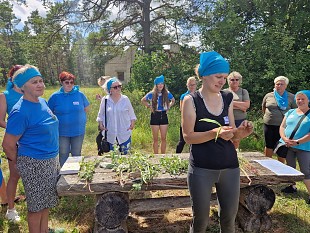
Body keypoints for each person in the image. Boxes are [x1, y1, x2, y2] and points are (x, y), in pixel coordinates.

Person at [182, 51, 253, 233]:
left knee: (229, 219)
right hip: (201, 168)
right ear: (204, 76)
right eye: (218, 76)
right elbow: (188, 136)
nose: (222, 81)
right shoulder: (191, 101)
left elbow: (230, 134)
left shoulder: (228, 97)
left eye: (224, 77)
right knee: (201, 220)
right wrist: (214, 132)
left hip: (230, 166)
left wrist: (240, 133)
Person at [2, 64, 59, 232]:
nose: (40, 84)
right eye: (34, 82)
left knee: (46, 204)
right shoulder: (20, 112)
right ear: (22, 87)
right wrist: (20, 163)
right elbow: (8, 145)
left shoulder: (42, 101)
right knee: (36, 208)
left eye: (41, 81)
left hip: (50, 161)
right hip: (35, 164)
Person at [48, 71, 90, 167]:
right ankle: (63, 176)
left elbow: (86, 108)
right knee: (63, 153)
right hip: (62, 132)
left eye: (72, 82)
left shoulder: (80, 95)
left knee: (76, 154)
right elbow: (49, 113)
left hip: (78, 131)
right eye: (67, 82)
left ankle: (76, 175)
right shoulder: (55, 97)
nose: (69, 84)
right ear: (62, 82)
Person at [0, 65, 24, 222]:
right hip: (15, 141)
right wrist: (16, 129)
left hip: (32, 141)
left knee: (31, 173)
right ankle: (10, 209)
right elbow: (1, 120)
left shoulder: (30, 91)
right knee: (14, 174)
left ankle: (36, 204)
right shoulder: (5, 95)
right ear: (12, 77)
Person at [279, 90, 310, 204]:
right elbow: (282, 126)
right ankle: (291, 187)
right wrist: (284, 138)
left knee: (306, 171)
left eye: (303, 99)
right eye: (298, 99)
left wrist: (298, 142)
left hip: (305, 147)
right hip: (288, 145)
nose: (300, 101)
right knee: (290, 167)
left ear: (308, 100)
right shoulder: (290, 112)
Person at [97, 77, 136, 154]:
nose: (118, 88)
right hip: (110, 134)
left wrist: (132, 124)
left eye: (119, 86)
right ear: (109, 90)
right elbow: (100, 114)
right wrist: (101, 125)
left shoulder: (125, 99)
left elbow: (132, 114)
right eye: (115, 87)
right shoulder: (105, 100)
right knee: (113, 158)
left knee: (126, 158)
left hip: (124, 133)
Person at [262, 76, 296, 163]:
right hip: (269, 125)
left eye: (282, 84)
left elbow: (295, 111)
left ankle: (281, 166)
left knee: (282, 146)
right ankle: (267, 164)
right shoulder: (268, 95)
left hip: (285, 127)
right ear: (274, 85)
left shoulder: (291, 97)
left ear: (286, 86)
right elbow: (263, 107)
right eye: (277, 84)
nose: (279, 86)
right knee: (268, 145)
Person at [141, 75, 175, 154]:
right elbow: (143, 100)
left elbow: (173, 100)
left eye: (162, 83)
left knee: (163, 138)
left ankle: (163, 155)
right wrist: (149, 106)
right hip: (155, 115)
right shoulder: (152, 94)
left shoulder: (167, 93)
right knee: (155, 139)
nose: (160, 85)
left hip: (163, 115)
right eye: (159, 84)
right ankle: (156, 156)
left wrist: (168, 107)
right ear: (156, 85)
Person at [224, 71, 250, 148]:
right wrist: (240, 106)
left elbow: (246, 106)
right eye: (232, 80)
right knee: (227, 138)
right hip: (227, 120)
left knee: (236, 139)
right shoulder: (224, 92)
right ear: (228, 81)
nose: (234, 81)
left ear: (240, 81)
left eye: (236, 79)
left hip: (240, 119)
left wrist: (231, 103)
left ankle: (235, 155)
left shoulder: (243, 91)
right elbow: (223, 106)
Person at [176, 76, 197, 153]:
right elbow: (182, 109)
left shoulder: (199, 95)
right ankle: (176, 156)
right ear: (187, 85)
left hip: (196, 121)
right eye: (190, 85)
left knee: (194, 142)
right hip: (186, 121)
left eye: (193, 84)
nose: (192, 86)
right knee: (182, 141)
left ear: (196, 85)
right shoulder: (184, 96)